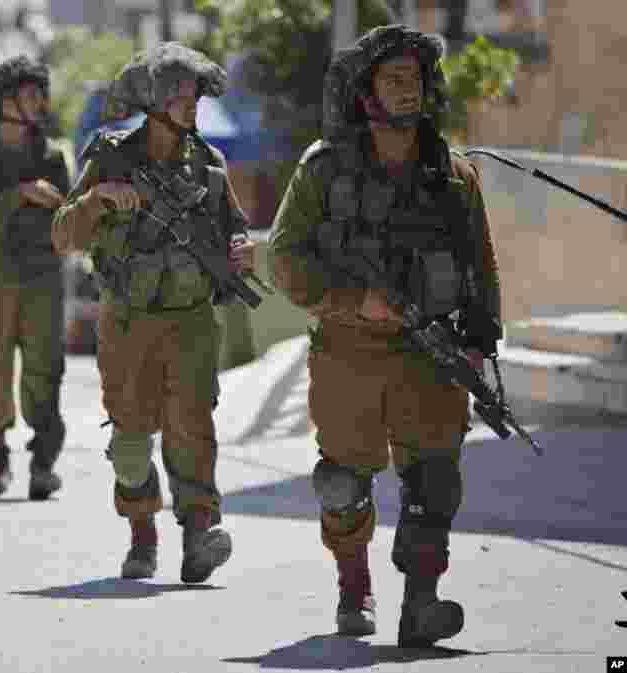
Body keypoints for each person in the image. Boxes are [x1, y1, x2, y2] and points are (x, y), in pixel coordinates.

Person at [268, 25, 502, 645]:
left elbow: (481, 263)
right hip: (351, 353)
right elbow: (285, 260)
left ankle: (420, 604)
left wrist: (480, 339)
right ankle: (354, 587)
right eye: (392, 78)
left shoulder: (454, 177)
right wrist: (354, 300)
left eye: (415, 79)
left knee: (435, 481)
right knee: (343, 480)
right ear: (365, 91)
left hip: (432, 356)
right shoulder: (323, 170)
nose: (407, 89)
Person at [51, 42, 258, 584]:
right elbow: (63, 236)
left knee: (193, 428)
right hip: (128, 320)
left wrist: (241, 249)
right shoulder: (110, 155)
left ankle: (198, 534)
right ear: (151, 101)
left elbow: (233, 228)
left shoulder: (209, 165)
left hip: (190, 319)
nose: (190, 104)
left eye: (193, 94)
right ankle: (142, 532)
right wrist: (97, 201)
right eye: (177, 94)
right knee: (131, 436)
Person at [0, 56, 72, 499]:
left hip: (42, 277)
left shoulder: (50, 156)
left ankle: (43, 463)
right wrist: (19, 194)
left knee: (45, 371)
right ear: (5, 101)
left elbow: (67, 212)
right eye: (29, 93)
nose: (39, 102)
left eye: (41, 93)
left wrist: (55, 201)